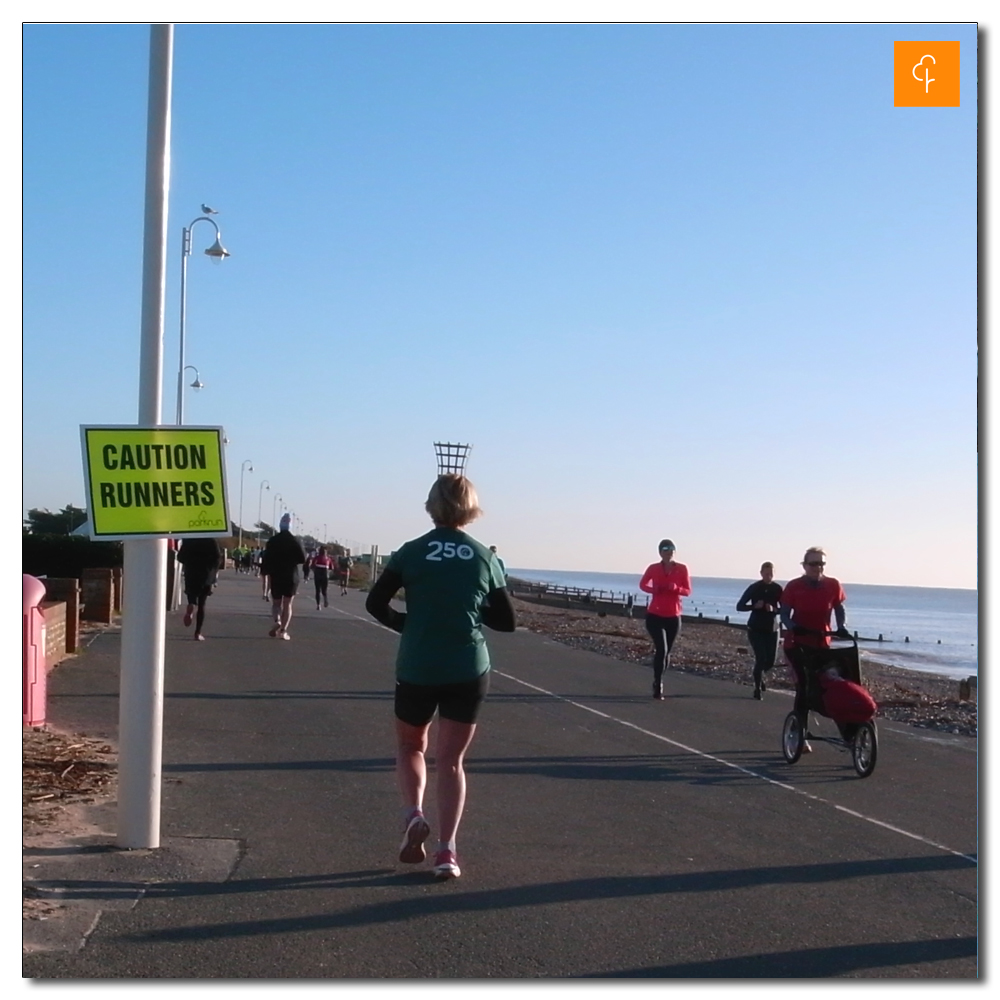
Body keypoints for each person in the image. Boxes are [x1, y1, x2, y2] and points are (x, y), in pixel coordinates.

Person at [365, 474, 516, 880]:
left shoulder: (411, 553)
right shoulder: (484, 557)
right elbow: (506, 620)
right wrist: (466, 613)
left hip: (418, 662)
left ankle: (414, 814)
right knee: (451, 761)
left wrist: (409, 625)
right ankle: (447, 852)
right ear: (471, 507)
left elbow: (375, 602)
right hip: (467, 665)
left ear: (432, 505)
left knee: (411, 744)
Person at [779, 546, 849, 752]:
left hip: (822, 643)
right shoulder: (794, 587)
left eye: (821, 564)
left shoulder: (833, 585)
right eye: (813, 563)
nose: (817, 567)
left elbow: (839, 608)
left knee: (834, 685)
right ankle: (799, 733)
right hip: (797, 644)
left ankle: (849, 733)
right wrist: (793, 627)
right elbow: (783, 614)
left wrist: (841, 627)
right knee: (805, 685)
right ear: (804, 565)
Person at [638, 539, 692, 700]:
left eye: (671, 549)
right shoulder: (653, 568)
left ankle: (658, 678)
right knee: (661, 649)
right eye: (665, 549)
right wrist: (653, 589)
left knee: (667, 652)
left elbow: (688, 591)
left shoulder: (682, 569)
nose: (669, 552)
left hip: (673, 616)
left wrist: (676, 588)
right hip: (655, 615)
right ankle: (658, 683)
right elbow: (642, 585)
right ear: (660, 552)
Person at [737, 561, 783, 700]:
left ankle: (760, 676)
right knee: (761, 658)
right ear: (761, 573)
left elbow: (785, 609)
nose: (769, 576)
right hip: (755, 628)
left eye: (771, 574)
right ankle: (757, 689)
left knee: (770, 661)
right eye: (766, 573)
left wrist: (774, 610)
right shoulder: (754, 588)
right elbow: (739, 606)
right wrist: (754, 606)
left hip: (772, 629)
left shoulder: (778, 589)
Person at [262, 513, 307, 640]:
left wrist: (265, 572)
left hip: (276, 574)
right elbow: (302, 558)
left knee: (276, 603)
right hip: (291, 575)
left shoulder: (272, 541)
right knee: (288, 604)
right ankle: (283, 631)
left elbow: (267, 558)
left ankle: (277, 620)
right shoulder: (295, 541)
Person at [177, 536, 225, 641]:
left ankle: (191, 604)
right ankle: (197, 633)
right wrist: (213, 570)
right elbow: (217, 557)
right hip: (206, 573)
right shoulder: (211, 540)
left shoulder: (189, 539)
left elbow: (180, 557)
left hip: (191, 572)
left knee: (192, 595)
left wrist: (189, 562)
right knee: (202, 603)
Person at [312, 545, 333, 609]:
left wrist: (315, 572)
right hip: (325, 574)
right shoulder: (328, 559)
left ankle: (318, 605)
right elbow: (331, 568)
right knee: (324, 590)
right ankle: (325, 599)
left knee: (317, 590)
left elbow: (312, 566)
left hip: (318, 574)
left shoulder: (316, 558)